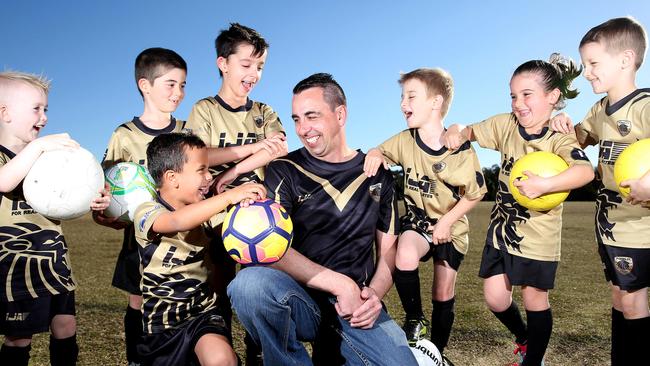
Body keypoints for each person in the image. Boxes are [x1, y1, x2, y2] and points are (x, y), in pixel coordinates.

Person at [227, 73, 417, 365]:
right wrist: (340, 284)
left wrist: (373, 296)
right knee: (249, 284)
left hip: (353, 305)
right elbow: (271, 251)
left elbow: (388, 251)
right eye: (297, 119)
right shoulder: (285, 169)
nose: (303, 129)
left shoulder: (377, 174)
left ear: (340, 114)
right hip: (298, 297)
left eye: (311, 116)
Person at [443, 55, 594, 366]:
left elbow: (584, 172)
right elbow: (468, 130)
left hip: (539, 237)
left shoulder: (559, 138)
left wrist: (545, 185)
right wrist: (456, 129)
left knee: (534, 298)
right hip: (501, 232)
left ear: (552, 98)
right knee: (495, 297)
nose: (518, 103)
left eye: (527, 95)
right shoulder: (505, 125)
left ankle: (533, 361)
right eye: (513, 95)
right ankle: (524, 337)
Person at [363, 68, 486, 362]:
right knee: (404, 254)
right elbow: (379, 150)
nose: (403, 103)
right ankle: (415, 319)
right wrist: (375, 154)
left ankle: (436, 355)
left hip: (450, 227)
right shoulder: (406, 140)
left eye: (411, 96)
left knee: (443, 293)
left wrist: (446, 221)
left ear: (435, 102)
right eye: (402, 97)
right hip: (417, 223)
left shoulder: (458, 147)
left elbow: (476, 192)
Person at [550, 17, 650, 365]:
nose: (588, 72)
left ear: (624, 60)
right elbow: (576, 139)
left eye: (594, 63)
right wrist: (562, 124)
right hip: (609, 224)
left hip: (640, 229)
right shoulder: (598, 110)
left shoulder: (645, 105)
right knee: (620, 298)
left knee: (635, 301)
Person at [185, 23, 287, 364]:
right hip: (215, 215)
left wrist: (234, 171)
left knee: (258, 292)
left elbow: (279, 147)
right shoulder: (205, 110)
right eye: (246, 65)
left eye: (260, 66)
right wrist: (252, 150)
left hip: (260, 217)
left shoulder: (263, 112)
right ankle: (223, 350)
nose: (254, 73)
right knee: (220, 290)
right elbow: (198, 154)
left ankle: (257, 351)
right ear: (223, 63)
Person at [0, 71, 110, 366]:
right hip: (16, 268)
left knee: (65, 327)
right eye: (36, 108)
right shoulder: (16, 155)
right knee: (19, 336)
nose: (44, 117)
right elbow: (4, 181)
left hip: (54, 261)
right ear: (4, 112)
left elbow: (67, 196)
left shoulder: (47, 158)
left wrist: (95, 199)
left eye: (46, 109)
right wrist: (38, 147)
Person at [133, 132, 266, 366]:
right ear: (172, 177)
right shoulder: (147, 211)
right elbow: (176, 222)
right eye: (201, 170)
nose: (209, 176)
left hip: (202, 313)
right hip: (160, 325)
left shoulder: (207, 213)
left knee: (221, 359)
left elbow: (235, 233)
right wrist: (229, 196)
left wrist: (246, 210)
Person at [93, 47, 189, 366]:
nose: (178, 93)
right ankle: (137, 359)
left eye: (183, 85)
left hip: (185, 236)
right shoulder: (123, 136)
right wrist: (105, 213)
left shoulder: (188, 131)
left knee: (187, 301)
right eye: (170, 84)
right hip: (139, 240)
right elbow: (108, 193)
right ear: (145, 85)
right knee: (140, 300)